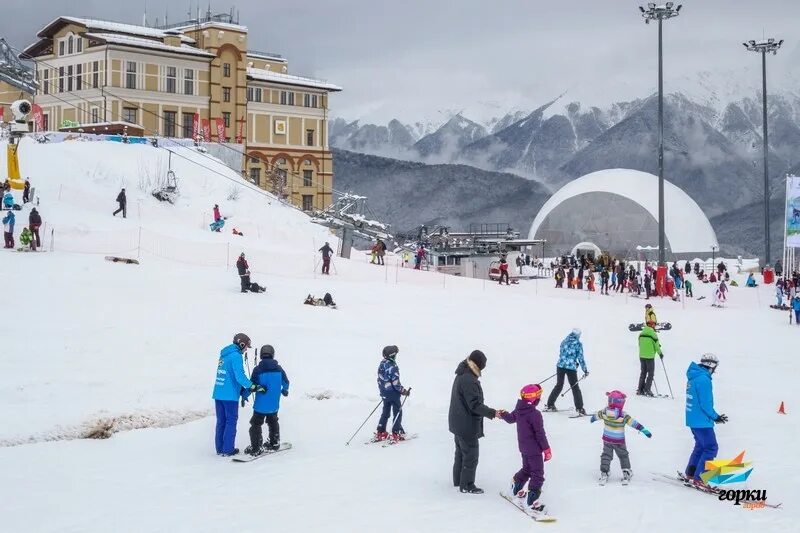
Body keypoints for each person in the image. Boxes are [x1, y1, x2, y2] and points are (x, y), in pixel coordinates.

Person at [449, 350, 500, 494]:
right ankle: (467, 485)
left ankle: (458, 480)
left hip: (458, 422)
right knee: (471, 455)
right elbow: (475, 405)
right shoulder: (469, 380)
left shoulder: (462, 373)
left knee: (460, 453)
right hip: (466, 424)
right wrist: (492, 412)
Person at [211, 333, 265, 456]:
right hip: (229, 396)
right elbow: (240, 377)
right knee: (231, 420)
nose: (246, 349)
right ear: (241, 344)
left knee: (221, 421)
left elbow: (229, 375)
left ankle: (220, 448)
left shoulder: (225, 355)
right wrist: (252, 386)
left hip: (218, 393)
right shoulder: (236, 356)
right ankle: (228, 449)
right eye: (246, 346)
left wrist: (242, 389)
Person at [501, 384, 551, 514]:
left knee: (527, 469)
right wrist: (546, 449)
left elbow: (511, 419)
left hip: (523, 447)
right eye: (539, 396)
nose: (540, 398)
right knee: (538, 474)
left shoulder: (519, 409)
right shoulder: (535, 414)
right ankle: (531, 502)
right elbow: (540, 433)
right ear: (534, 398)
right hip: (534, 450)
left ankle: (515, 488)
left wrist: (504, 414)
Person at [591, 390, 652, 485]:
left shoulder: (604, 412)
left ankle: (604, 472)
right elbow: (634, 424)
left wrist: (593, 418)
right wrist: (644, 430)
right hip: (619, 441)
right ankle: (626, 472)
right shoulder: (623, 415)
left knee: (606, 455)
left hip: (607, 439)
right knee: (623, 455)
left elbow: (596, 416)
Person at [684, 354, 727, 488]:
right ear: (711, 365)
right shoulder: (703, 379)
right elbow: (705, 403)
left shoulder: (694, 376)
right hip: (702, 421)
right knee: (711, 447)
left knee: (700, 446)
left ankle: (691, 472)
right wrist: (715, 416)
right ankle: (701, 477)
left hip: (693, 419)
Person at [243, 345, 290, 455]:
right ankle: (274, 443)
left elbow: (251, 386)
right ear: (273, 355)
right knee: (273, 422)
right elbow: (286, 382)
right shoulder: (279, 369)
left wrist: (245, 395)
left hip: (260, 405)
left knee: (256, 424)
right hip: (274, 404)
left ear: (261, 355)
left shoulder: (258, 370)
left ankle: (256, 448)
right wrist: (285, 390)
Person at [544, 329, 588, 415]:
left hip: (560, 366)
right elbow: (581, 358)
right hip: (571, 368)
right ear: (578, 335)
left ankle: (550, 405)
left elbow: (562, 354)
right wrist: (585, 370)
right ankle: (580, 409)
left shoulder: (564, 341)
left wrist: (567, 363)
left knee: (559, 385)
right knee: (575, 387)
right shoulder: (578, 344)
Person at [374, 345, 410, 441]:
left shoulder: (382, 364)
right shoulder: (392, 366)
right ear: (392, 355)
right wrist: (403, 391)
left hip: (384, 393)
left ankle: (381, 431)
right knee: (397, 412)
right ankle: (396, 432)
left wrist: (382, 392)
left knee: (385, 412)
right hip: (393, 394)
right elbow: (395, 383)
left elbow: (379, 379)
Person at [637, 321, 663, 396]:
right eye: (654, 325)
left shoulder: (641, 334)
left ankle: (640, 389)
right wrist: (660, 353)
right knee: (650, 373)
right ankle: (647, 389)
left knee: (643, 372)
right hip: (650, 357)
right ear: (651, 325)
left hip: (642, 356)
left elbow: (639, 344)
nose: (654, 326)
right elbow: (657, 346)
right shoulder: (653, 334)